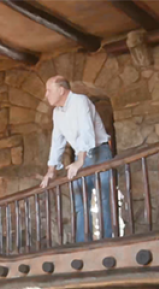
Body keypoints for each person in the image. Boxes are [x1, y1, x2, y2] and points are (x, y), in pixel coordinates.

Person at [39, 76, 113, 242]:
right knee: (80, 204)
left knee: (104, 199)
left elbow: (86, 131)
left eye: (49, 90)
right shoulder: (57, 113)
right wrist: (51, 170)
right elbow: (57, 141)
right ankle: (82, 244)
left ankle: (108, 240)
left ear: (61, 90)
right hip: (80, 156)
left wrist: (80, 160)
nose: (46, 95)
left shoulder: (80, 101)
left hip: (99, 153)